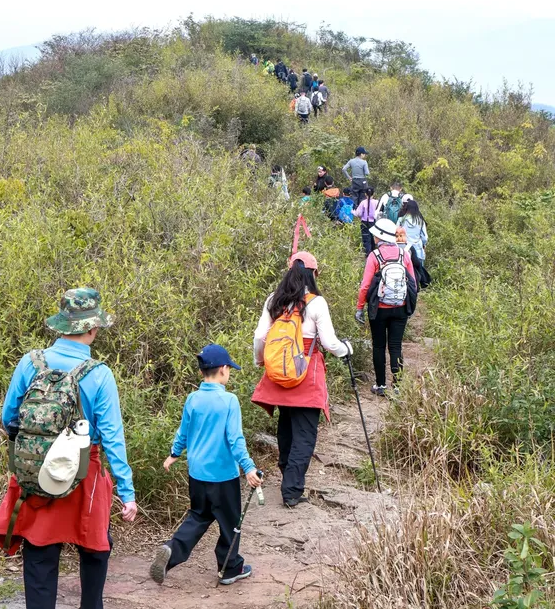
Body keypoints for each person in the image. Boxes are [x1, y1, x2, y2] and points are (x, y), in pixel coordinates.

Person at [0, 289, 137, 609]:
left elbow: (9, 419)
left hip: (36, 474)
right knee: (95, 544)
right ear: (93, 330)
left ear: (61, 325)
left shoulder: (30, 363)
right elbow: (114, 438)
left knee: (40, 552)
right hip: (85, 472)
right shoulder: (100, 375)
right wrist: (127, 490)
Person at [149, 344, 261, 586]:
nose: (229, 373)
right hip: (223, 477)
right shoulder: (229, 401)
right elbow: (235, 439)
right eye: (229, 369)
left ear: (202, 372)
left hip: (197, 475)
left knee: (198, 517)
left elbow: (184, 432)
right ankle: (229, 567)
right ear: (222, 370)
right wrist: (249, 467)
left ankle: (171, 550)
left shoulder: (193, 399)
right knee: (230, 525)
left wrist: (174, 454)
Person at [252, 252, 351, 507]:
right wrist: (346, 350)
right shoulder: (316, 303)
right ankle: (292, 490)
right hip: (306, 371)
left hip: (279, 371)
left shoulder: (274, 300)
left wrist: (261, 361)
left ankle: (288, 476)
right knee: (305, 434)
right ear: (313, 274)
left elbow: (260, 337)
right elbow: (329, 343)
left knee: (286, 426)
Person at [355, 220, 417, 397]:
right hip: (400, 306)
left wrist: (360, 308)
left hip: (379, 308)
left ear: (379, 237)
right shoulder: (403, 254)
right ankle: (397, 387)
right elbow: (412, 283)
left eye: (375, 234)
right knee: (396, 346)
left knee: (379, 346)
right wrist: (410, 306)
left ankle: (380, 385)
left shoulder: (374, 256)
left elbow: (365, 286)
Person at [397, 199, 430, 288]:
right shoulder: (420, 221)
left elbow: (397, 233)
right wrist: (424, 244)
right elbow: (424, 237)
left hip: (405, 248)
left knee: (406, 268)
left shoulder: (401, 220)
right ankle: (419, 284)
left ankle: (407, 285)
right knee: (419, 267)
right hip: (417, 247)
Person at [353, 186, 378, 255]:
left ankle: (368, 253)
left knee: (366, 238)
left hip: (364, 222)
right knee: (373, 237)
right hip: (373, 222)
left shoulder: (363, 202)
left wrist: (353, 212)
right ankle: (373, 252)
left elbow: (358, 213)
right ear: (373, 194)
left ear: (365, 194)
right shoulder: (376, 202)